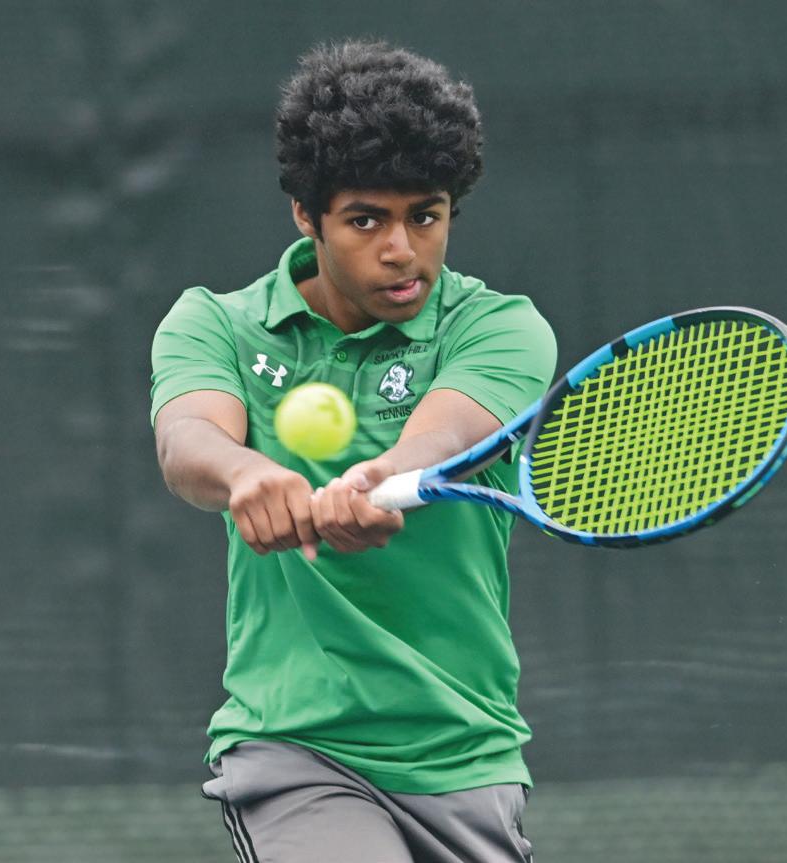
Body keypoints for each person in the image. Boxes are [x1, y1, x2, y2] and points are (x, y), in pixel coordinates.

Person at [150, 40, 556, 863]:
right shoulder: (214, 324)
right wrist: (246, 472)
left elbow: (449, 433)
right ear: (307, 214)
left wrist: (384, 474)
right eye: (366, 220)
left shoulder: (501, 328)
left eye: (426, 216)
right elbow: (187, 438)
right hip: (298, 750)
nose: (402, 248)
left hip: (467, 752)